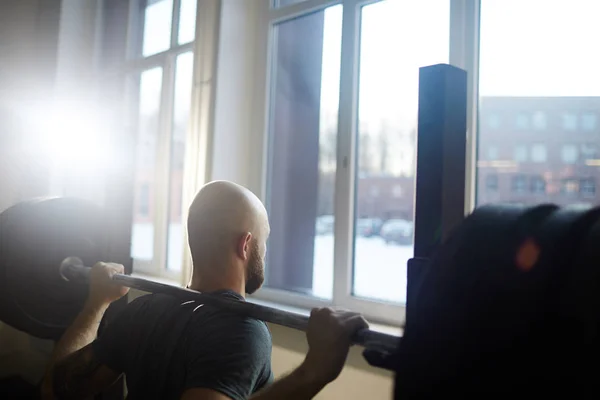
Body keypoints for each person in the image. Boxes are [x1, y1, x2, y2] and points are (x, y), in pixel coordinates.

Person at [41, 181, 368, 399]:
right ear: (246, 244)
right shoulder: (240, 330)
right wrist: (312, 373)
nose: (264, 253)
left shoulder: (143, 310)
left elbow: (56, 390)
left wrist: (95, 304)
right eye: (264, 243)